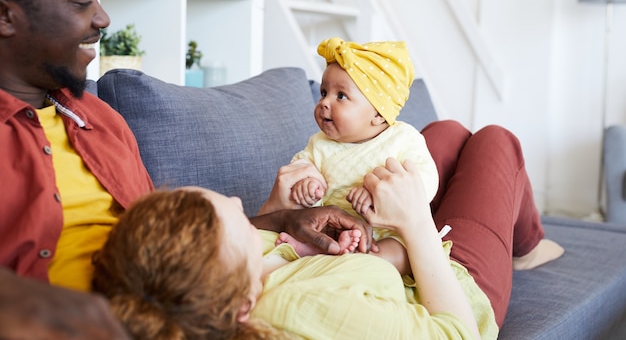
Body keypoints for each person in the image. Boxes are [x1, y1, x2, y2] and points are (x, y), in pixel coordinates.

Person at [0, 0, 374, 337]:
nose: (102, 18)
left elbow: (174, 253)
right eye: (81, 0)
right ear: (5, 15)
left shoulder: (100, 121)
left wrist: (286, 218)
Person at [92, 123, 565, 340]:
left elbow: (257, 238)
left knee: (442, 132)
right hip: (450, 279)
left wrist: (276, 209)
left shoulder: (215, 275)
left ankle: (515, 234)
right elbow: (455, 333)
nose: (241, 204)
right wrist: (416, 230)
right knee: (493, 141)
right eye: (235, 215)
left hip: (389, 244)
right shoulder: (310, 311)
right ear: (243, 304)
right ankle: (523, 246)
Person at [261, 37, 439, 275]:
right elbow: (301, 165)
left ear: (378, 113)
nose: (324, 102)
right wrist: (308, 185)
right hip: (332, 229)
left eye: (340, 96)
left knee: (398, 251)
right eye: (324, 92)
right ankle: (323, 253)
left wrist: (379, 193)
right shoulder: (320, 143)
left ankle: (356, 261)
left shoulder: (402, 138)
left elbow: (426, 178)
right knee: (317, 232)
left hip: (387, 231)